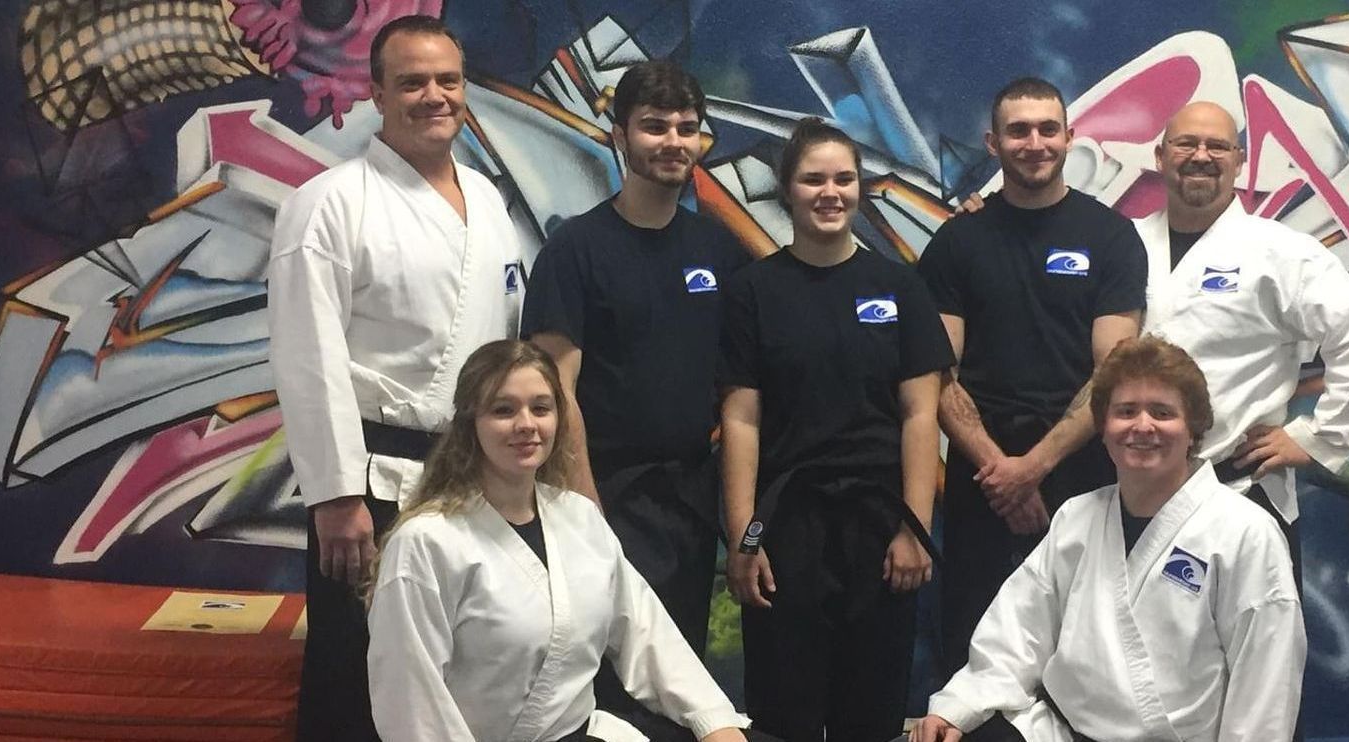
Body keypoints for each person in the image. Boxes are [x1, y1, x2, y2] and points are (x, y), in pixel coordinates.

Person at [266, 15, 523, 741]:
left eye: (448, 80)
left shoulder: (489, 201)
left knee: (460, 670)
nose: (433, 96)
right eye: (411, 82)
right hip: (372, 488)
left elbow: (504, 345)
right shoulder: (328, 204)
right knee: (357, 671)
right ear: (376, 91)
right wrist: (335, 495)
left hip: (471, 476)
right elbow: (305, 355)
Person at [910, 336, 1305, 742]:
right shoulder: (1077, 518)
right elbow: (1018, 630)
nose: (1143, 426)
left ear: (1194, 429)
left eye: (1163, 412)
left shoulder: (1245, 534)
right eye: (1126, 411)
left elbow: (1265, 683)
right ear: (1104, 428)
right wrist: (958, 708)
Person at [521, 59, 752, 741]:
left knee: (677, 684)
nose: (673, 141)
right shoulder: (576, 250)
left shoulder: (719, 248)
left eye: (687, 127)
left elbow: (741, 389)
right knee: (601, 690)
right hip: (601, 496)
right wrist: (587, 514)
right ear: (619, 134)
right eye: (654, 126)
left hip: (686, 502)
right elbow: (554, 391)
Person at [366, 340, 756, 742]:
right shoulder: (426, 543)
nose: (526, 424)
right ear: (469, 424)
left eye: (540, 408)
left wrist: (714, 721)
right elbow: (409, 699)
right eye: (504, 410)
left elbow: (645, 631)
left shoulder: (578, 516)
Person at [718, 118, 948, 742]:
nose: (831, 192)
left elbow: (920, 415)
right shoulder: (753, 292)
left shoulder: (898, 287)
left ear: (860, 187)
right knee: (784, 709)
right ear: (787, 189)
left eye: (844, 178)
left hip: (880, 523)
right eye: (813, 178)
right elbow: (741, 419)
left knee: (869, 711)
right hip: (785, 519)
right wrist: (743, 534)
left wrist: (915, 529)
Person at [914, 77, 1147, 675]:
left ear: (1070, 138)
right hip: (980, 481)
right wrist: (1002, 474)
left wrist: (1033, 469)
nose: (1034, 142)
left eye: (1048, 129)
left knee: (1082, 656)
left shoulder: (1112, 238)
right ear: (993, 143)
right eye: (1018, 130)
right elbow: (936, 372)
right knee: (975, 653)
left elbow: (1114, 371)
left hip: (1082, 477)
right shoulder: (958, 241)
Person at [1133, 101, 1349, 584]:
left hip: (1239, 491)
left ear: (1239, 162)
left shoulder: (1280, 250)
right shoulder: (1126, 244)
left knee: (1255, 651)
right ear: (1159, 155)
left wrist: (1319, 437)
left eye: (1217, 145)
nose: (1200, 155)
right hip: (1134, 495)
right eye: (1185, 143)